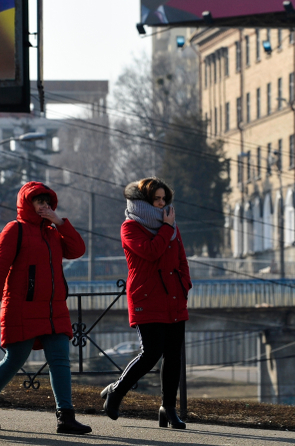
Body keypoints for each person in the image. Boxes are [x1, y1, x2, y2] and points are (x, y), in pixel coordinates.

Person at [0, 181, 92, 435]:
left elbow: (78, 250)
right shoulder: (14, 230)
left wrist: (60, 222)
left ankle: (65, 417)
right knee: (15, 359)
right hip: (21, 307)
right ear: (27, 203)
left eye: (47, 202)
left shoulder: (53, 230)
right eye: (39, 201)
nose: (44, 206)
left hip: (54, 308)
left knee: (60, 360)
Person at [101, 177, 191, 429]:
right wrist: (166, 227)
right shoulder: (130, 227)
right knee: (151, 352)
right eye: (157, 199)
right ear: (144, 201)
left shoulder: (171, 225)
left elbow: (181, 258)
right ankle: (116, 393)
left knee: (173, 355)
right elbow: (151, 252)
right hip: (147, 297)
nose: (162, 203)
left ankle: (168, 408)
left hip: (174, 297)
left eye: (165, 199)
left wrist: (185, 284)